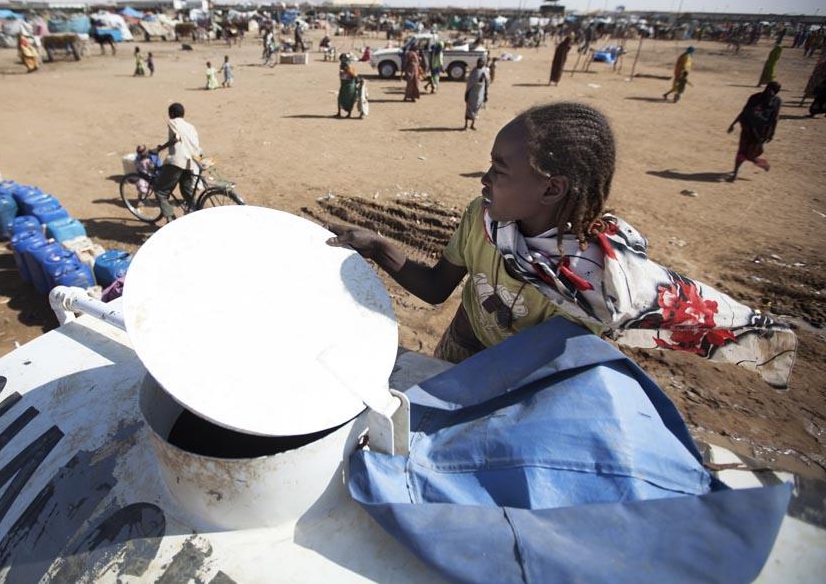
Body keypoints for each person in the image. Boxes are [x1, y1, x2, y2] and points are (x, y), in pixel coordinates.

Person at [327, 102, 796, 388]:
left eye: (499, 170)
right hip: (464, 344)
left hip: (518, 382)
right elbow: (435, 289)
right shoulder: (482, 219)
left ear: (552, 189)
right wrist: (377, 246)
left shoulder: (593, 281)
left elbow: (552, 373)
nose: (485, 178)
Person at [154, 103, 202, 222]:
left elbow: (176, 138)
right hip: (191, 162)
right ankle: (198, 215)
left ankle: (171, 220)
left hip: (177, 161)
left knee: (160, 192)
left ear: (171, 114)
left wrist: (160, 148)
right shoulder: (190, 126)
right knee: (187, 192)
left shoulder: (173, 122)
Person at [727, 82, 781, 181]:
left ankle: (760, 163)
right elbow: (745, 112)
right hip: (751, 129)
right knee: (744, 150)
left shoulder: (773, 101)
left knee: (747, 152)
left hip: (758, 131)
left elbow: (774, 118)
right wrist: (733, 123)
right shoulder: (758, 98)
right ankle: (736, 172)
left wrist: (772, 133)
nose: (769, 92)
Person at [463, 58, 490, 130]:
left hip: (480, 93)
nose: (480, 64)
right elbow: (469, 83)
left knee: (477, 109)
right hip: (472, 93)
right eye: (479, 62)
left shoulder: (484, 71)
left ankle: (472, 124)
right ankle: (466, 125)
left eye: (482, 62)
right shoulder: (474, 71)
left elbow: (486, 83)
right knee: (469, 108)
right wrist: (467, 93)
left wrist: (486, 94)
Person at [132, 144, 157, 209]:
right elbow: (151, 168)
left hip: (144, 178)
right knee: (144, 190)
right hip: (144, 178)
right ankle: (141, 202)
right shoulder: (145, 161)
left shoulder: (138, 160)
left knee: (144, 191)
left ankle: (142, 201)